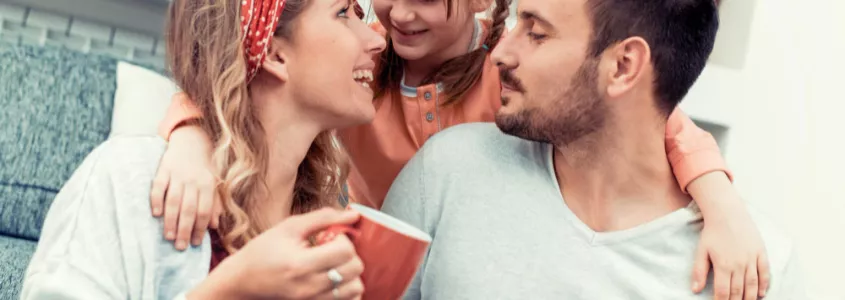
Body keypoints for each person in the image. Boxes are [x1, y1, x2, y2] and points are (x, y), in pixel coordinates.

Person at [151, 0, 769, 296]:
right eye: (366, 4)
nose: (395, 16)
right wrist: (189, 131)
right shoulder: (364, 70)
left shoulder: (510, 81)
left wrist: (720, 199)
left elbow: (644, 112)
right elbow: (237, 75)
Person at [380, 0, 803, 299]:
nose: (500, 54)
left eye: (537, 33)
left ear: (622, 67)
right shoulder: (446, 172)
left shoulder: (755, 268)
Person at [21, 0, 386, 298]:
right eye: (343, 13)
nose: (377, 41)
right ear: (274, 54)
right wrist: (228, 292)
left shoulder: (325, 232)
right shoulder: (133, 181)